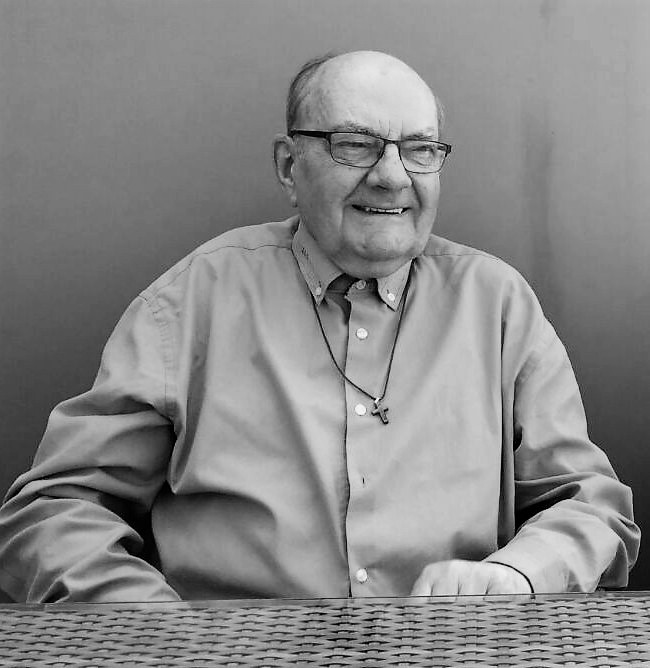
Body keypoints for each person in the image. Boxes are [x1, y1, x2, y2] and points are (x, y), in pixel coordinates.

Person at [0, 51, 639, 603]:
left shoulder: (499, 305)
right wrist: (166, 639)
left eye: (420, 150)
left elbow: (592, 507)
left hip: (451, 652)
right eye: (355, 144)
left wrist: (517, 575)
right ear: (289, 166)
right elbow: (54, 513)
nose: (392, 175)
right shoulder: (192, 301)